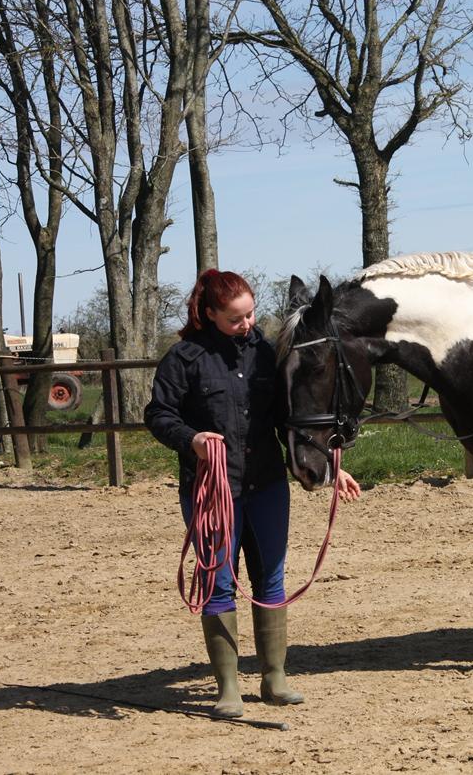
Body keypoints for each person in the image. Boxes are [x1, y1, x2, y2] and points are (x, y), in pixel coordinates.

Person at [145, 269, 361, 718]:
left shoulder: (267, 354)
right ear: (209, 315)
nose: (247, 324)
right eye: (235, 318)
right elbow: (159, 415)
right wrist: (192, 440)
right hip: (212, 489)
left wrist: (334, 465)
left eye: (250, 314)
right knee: (218, 581)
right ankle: (227, 688)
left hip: (266, 484)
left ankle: (274, 678)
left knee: (271, 577)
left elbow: (292, 417)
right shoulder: (183, 359)